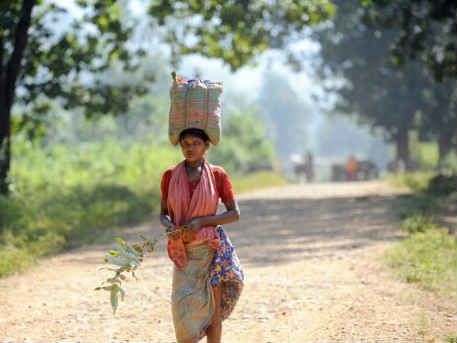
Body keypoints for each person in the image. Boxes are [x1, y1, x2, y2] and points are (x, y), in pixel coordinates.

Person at [159, 127, 244, 343]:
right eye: (185, 144)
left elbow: (234, 214)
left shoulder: (217, 175)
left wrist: (201, 221)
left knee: (212, 312)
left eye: (196, 143)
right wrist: (169, 226)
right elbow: (163, 214)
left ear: (206, 146)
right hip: (183, 253)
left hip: (209, 251)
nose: (190, 148)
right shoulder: (170, 176)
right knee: (182, 308)